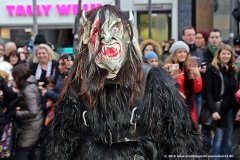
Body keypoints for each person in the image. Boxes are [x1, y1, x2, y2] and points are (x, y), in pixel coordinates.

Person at [40, 5, 205, 160]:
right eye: (97, 31)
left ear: (127, 36)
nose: (106, 37)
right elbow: (60, 142)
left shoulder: (153, 80)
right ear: (88, 41)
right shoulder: (79, 86)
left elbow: (181, 141)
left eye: (114, 29)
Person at [204, 44, 237, 159]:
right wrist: (213, 110)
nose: (226, 56)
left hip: (230, 109)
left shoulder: (233, 70)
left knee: (228, 140)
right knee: (218, 139)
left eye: (228, 53)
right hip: (218, 109)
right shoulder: (211, 69)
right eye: (224, 53)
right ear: (218, 55)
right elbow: (207, 92)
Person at [8, 64, 44, 160]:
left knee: (22, 153)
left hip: (31, 127)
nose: (14, 80)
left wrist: (15, 114)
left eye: (14, 78)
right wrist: (16, 102)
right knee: (31, 153)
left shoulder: (28, 89)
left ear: (20, 77)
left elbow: (33, 112)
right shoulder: (29, 85)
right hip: (34, 125)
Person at [164, 41, 202, 123]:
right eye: (179, 52)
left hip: (189, 107)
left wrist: (198, 76)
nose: (183, 54)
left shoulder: (190, 68)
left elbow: (197, 90)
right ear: (174, 54)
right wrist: (170, 77)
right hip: (173, 107)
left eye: (185, 52)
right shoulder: (168, 67)